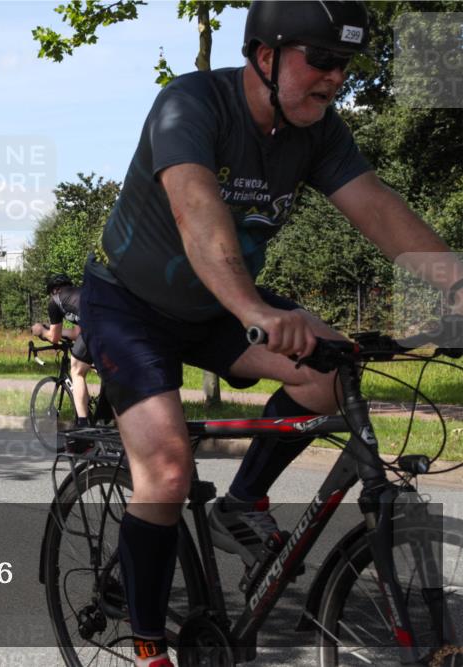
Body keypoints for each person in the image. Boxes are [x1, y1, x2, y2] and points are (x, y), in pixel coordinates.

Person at [78, 2, 463, 665]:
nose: (336, 77)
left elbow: (375, 205)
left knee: (328, 375)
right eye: (321, 60)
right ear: (265, 54)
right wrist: (254, 309)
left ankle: (244, 499)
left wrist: (456, 282)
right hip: (129, 306)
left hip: (218, 309)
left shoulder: (316, 131)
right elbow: (197, 210)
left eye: (344, 65)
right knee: (167, 473)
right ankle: (148, 648)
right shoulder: (192, 103)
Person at [31, 273, 92, 426]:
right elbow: (76, 333)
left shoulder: (55, 301)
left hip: (95, 328)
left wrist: (40, 330)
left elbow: (54, 338)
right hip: (112, 325)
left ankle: (84, 426)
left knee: (77, 370)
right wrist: (51, 330)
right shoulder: (79, 294)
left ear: (54, 290)